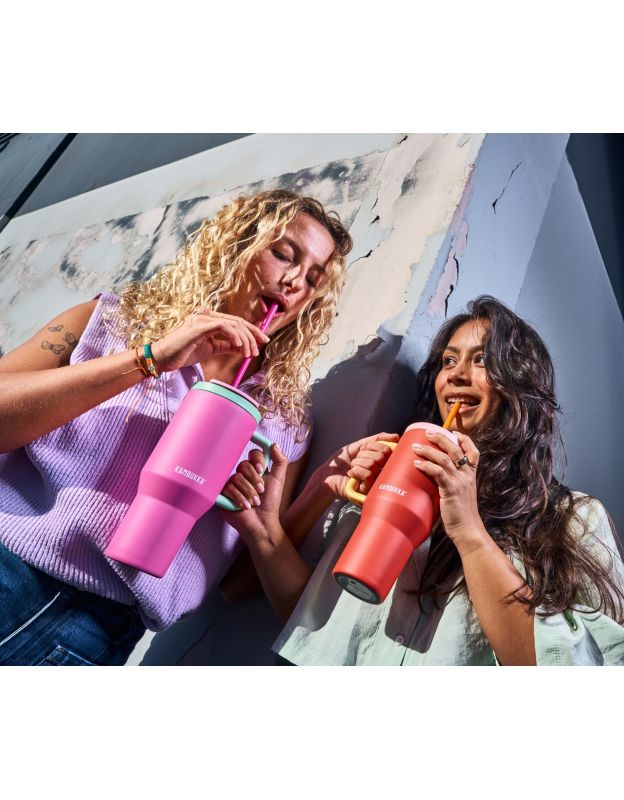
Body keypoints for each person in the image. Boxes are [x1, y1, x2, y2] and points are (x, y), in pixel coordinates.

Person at [0, 189, 357, 666]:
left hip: (98, 635)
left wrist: (315, 489)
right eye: (283, 255)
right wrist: (151, 359)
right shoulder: (112, 322)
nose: (294, 282)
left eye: (314, 278)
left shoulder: (285, 419)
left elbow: (237, 584)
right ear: (237, 244)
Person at [221, 295, 624, 665]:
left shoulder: (572, 518)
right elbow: (314, 629)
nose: (456, 374)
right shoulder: (394, 479)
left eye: (482, 360)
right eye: (448, 361)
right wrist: (265, 532)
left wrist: (468, 530)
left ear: (521, 384)